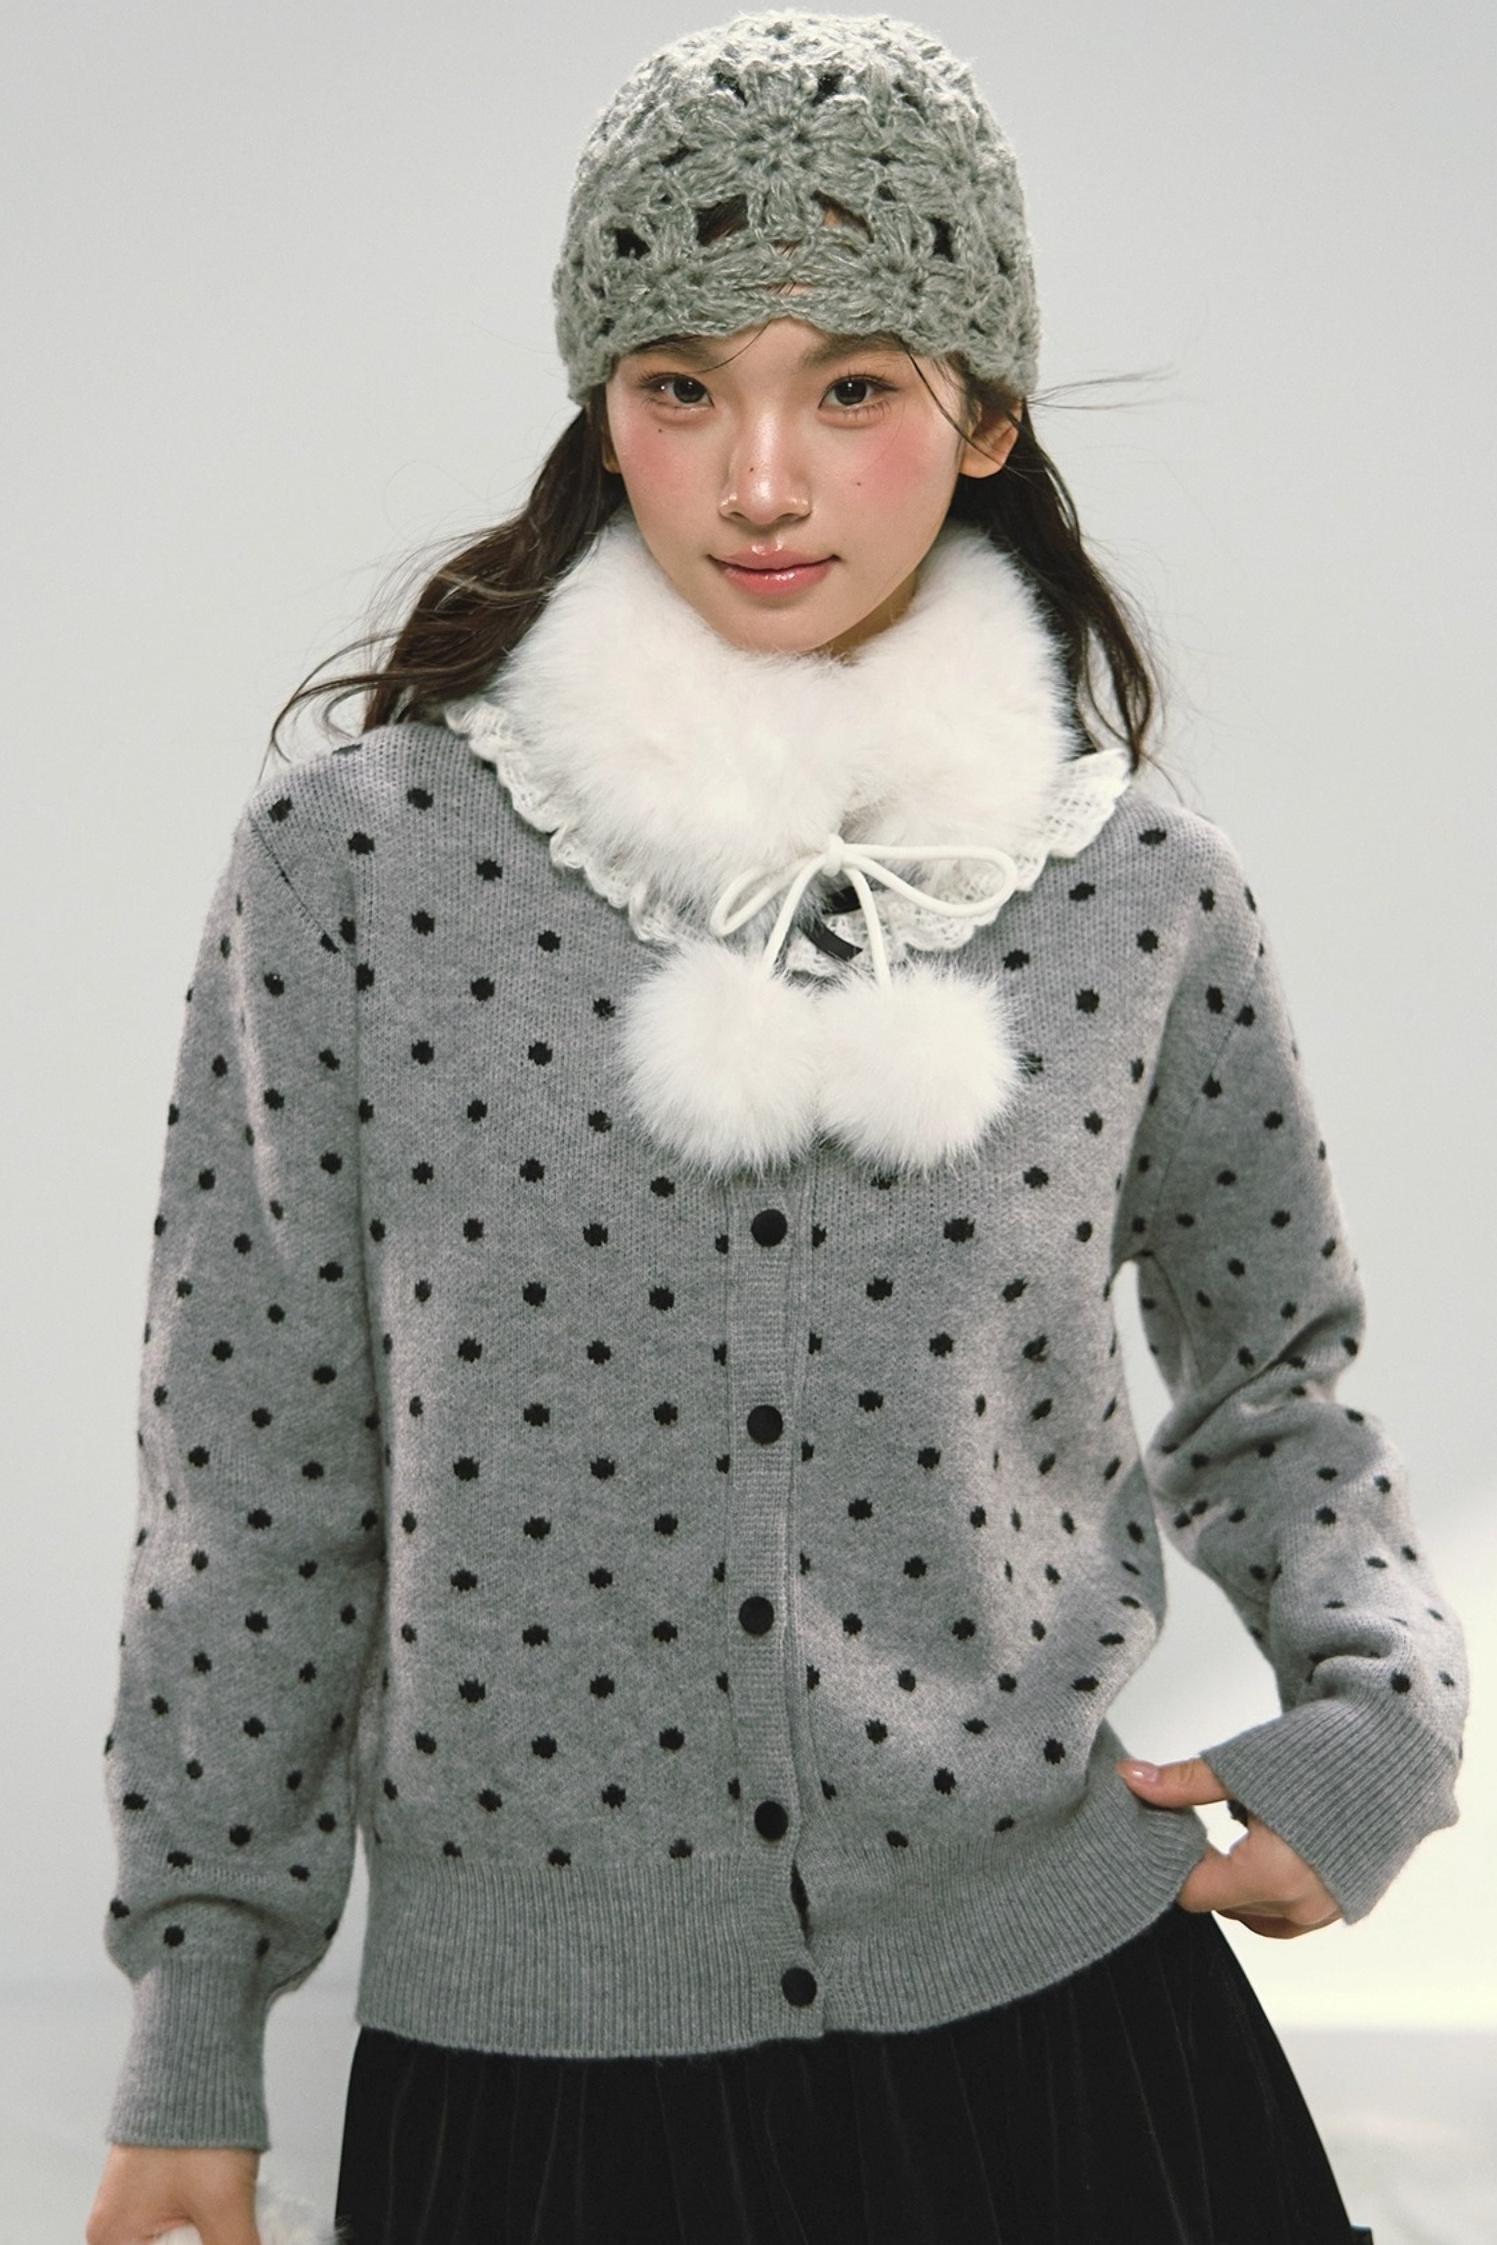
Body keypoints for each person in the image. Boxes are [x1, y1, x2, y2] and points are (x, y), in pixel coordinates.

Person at [87, 10, 1463, 2243]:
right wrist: (196, 2015)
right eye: (677, 386)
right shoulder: (360, 870)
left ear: (983, 414)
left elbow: (1276, 1382)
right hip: (541, 2090)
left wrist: (1377, 1715)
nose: (755, 480)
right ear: (598, 408)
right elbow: (254, 1466)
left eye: (849, 389)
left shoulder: (1133, 892)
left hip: (1072, 2046)